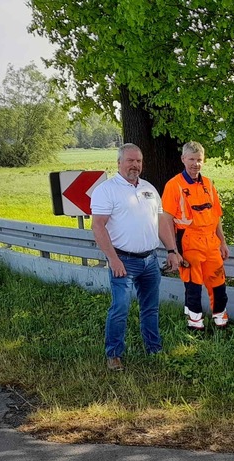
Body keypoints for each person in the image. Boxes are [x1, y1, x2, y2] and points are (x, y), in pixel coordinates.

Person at [90, 143, 182, 371]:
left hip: (150, 260)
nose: (135, 165)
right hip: (124, 261)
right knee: (120, 307)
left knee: (150, 308)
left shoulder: (149, 189)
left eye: (138, 161)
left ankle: (154, 348)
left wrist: (172, 250)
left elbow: (161, 222)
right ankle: (114, 355)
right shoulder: (107, 190)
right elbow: (98, 226)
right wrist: (113, 259)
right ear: (119, 163)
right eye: (130, 160)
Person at [160, 141, 230, 331]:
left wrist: (222, 242)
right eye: (191, 159)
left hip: (211, 242)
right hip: (189, 242)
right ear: (183, 159)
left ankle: (221, 321)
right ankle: (195, 324)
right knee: (193, 286)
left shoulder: (208, 183)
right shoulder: (173, 186)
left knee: (218, 283)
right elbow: (165, 220)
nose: (195, 164)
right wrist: (173, 250)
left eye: (199, 160)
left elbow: (216, 216)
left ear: (203, 160)